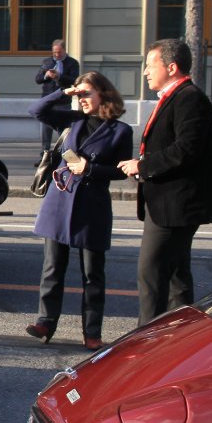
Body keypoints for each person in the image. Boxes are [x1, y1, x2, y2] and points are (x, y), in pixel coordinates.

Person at [25, 71, 133, 350]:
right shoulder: (73, 120)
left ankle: (92, 332)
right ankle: (45, 322)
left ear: (103, 94)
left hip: (92, 206)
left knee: (92, 274)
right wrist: (65, 92)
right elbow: (37, 110)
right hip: (60, 202)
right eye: (80, 94)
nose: (82, 99)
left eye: (87, 93)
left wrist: (91, 169)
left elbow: (121, 171)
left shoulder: (120, 131)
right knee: (52, 268)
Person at [119, 38, 212, 326]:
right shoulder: (175, 97)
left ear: (171, 67)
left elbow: (186, 149)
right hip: (167, 202)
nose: (145, 72)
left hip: (174, 205)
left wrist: (143, 166)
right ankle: (180, 337)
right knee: (176, 277)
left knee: (151, 273)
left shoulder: (190, 98)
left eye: (150, 65)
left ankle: (146, 341)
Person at [33, 39, 80, 150]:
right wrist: (46, 75)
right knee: (46, 129)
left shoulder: (72, 63)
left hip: (63, 101)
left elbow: (75, 80)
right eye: (54, 52)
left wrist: (60, 76)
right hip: (48, 100)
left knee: (63, 129)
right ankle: (44, 153)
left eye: (59, 52)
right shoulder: (47, 62)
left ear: (64, 50)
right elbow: (38, 79)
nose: (56, 55)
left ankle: (63, 152)